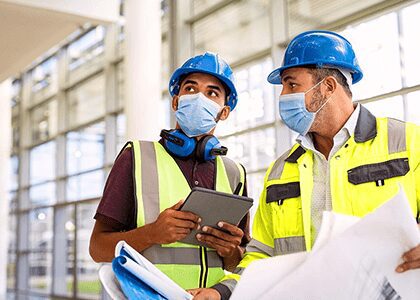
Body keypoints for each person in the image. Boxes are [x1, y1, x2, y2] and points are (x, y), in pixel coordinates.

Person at [191, 30, 420, 300]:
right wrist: (221, 293)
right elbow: (260, 257)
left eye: (291, 85)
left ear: (328, 87)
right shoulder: (280, 170)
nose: (283, 96)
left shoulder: (408, 142)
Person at [89, 52, 251, 295]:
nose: (199, 98)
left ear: (224, 111)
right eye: (190, 88)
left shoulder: (234, 172)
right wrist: (152, 233)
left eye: (212, 93)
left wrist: (230, 251)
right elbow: (97, 248)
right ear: (176, 102)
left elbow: (240, 260)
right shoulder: (136, 157)